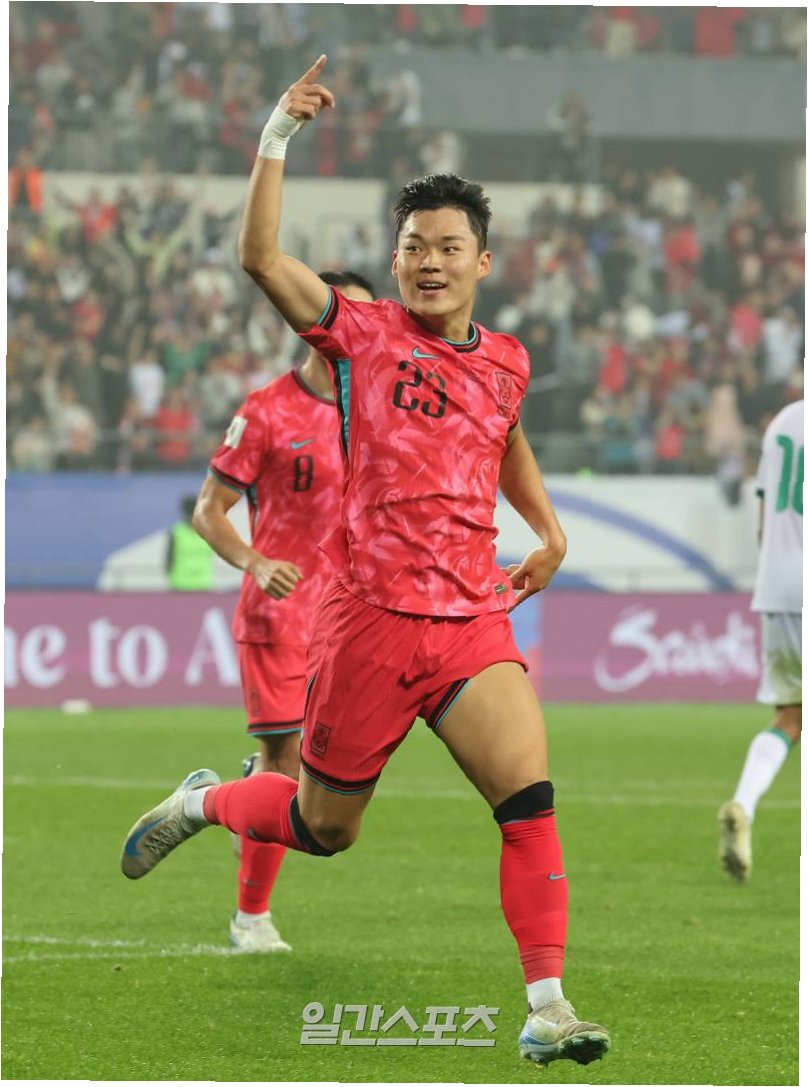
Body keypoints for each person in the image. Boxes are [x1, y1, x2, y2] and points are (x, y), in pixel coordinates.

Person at [122, 55, 610, 1068]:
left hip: (470, 619)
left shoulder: (508, 360)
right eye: (413, 246)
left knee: (528, 802)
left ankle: (548, 1006)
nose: (429, 261)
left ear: (483, 261)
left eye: (448, 247)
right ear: (394, 261)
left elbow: (505, 438)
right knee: (324, 828)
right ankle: (204, 801)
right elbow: (261, 256)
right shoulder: (365, 337)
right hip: (369, 624)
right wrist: (276, 135)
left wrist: (550, 529)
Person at [193, 269, 375, 952]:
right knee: (290, 763)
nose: (352, 329)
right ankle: (251, 916)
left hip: (351, 619)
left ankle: (243, 796)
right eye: (339, 313)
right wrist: (254, 561)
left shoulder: (382, 411)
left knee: (324, 782)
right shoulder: (267, 410)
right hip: (279, 614)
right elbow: (208, 510)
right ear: (309, 320)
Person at [718, 399, 803, 881]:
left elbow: (763, 523)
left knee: (791, 716)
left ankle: (744, 804)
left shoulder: (782, 423)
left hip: (778, 588)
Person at [166, 496, 215, 591]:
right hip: (181, 583)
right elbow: (169, 558)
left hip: (202, 583)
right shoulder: (177, 532)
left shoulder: (207, 531)